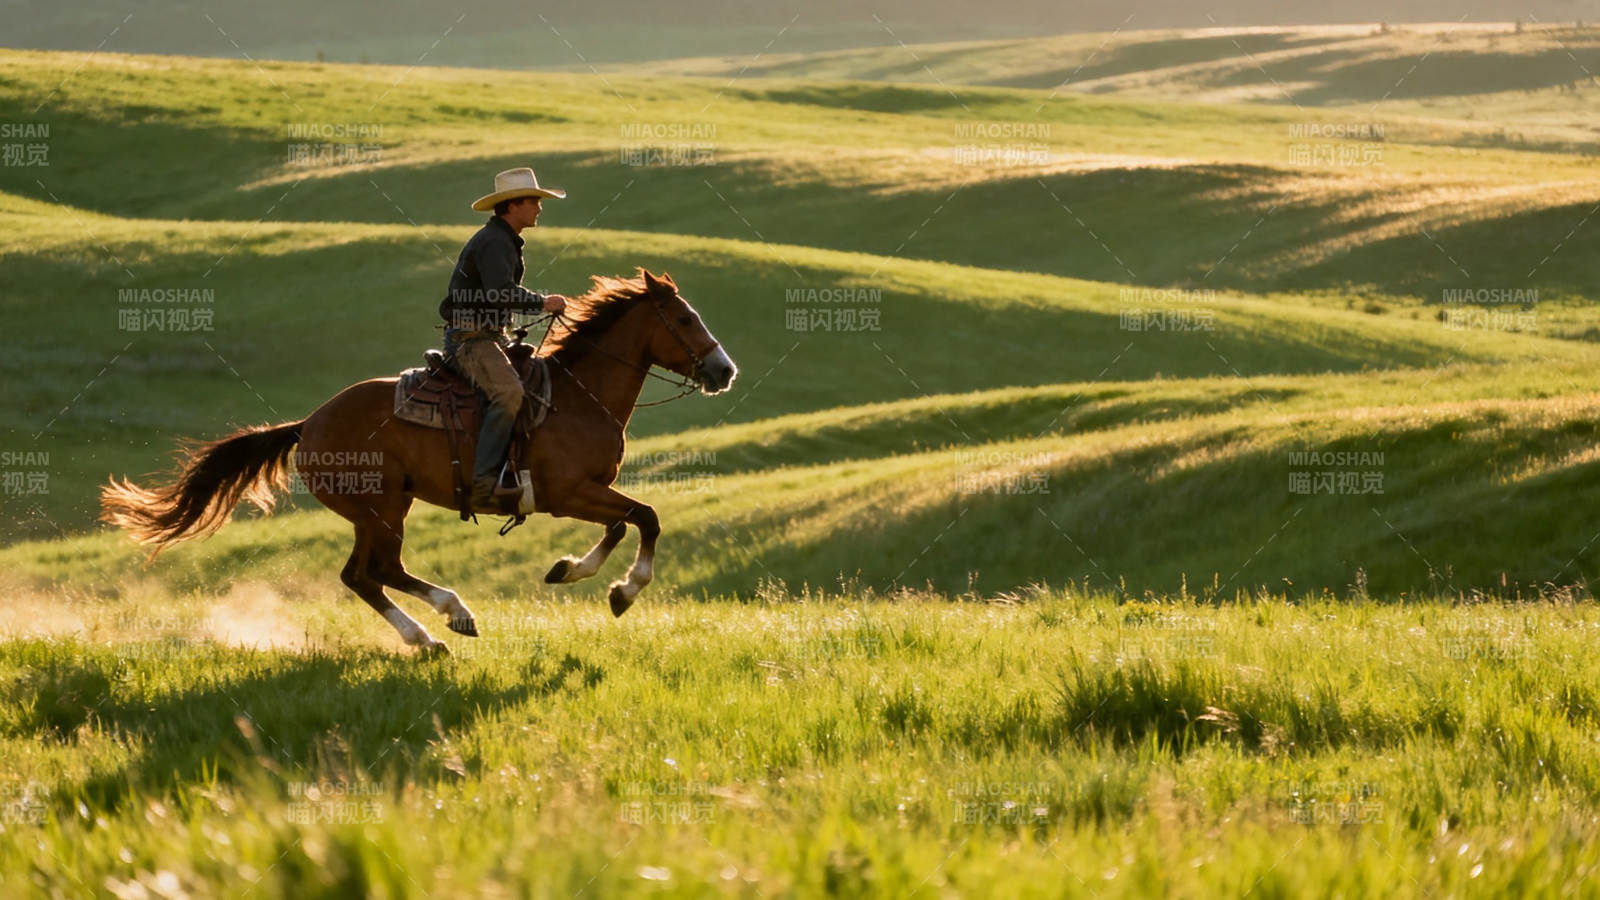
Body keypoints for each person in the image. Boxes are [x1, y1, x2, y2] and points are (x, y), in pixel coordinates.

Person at [439, 167, 570, 509]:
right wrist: (542, 302)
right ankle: (482, 486)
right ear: (512, 206)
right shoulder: (495, 242)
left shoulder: (501, 239)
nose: (539, 208)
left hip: (488, 336)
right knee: (510, 392)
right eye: (534, 201)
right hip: (472, 340)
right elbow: (499, 293)